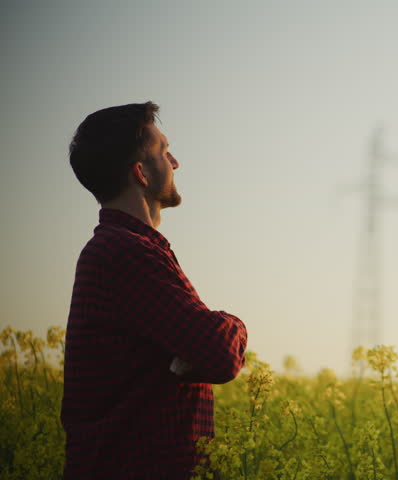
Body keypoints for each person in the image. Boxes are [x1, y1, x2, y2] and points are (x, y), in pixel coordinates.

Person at [63, 102, 248, 478]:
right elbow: (220, 353)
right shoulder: (126, 254)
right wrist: (233, 325)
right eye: (164, 151)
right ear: (141, 173)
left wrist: (197, 346)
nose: (175, 162)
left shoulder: (123, 249)